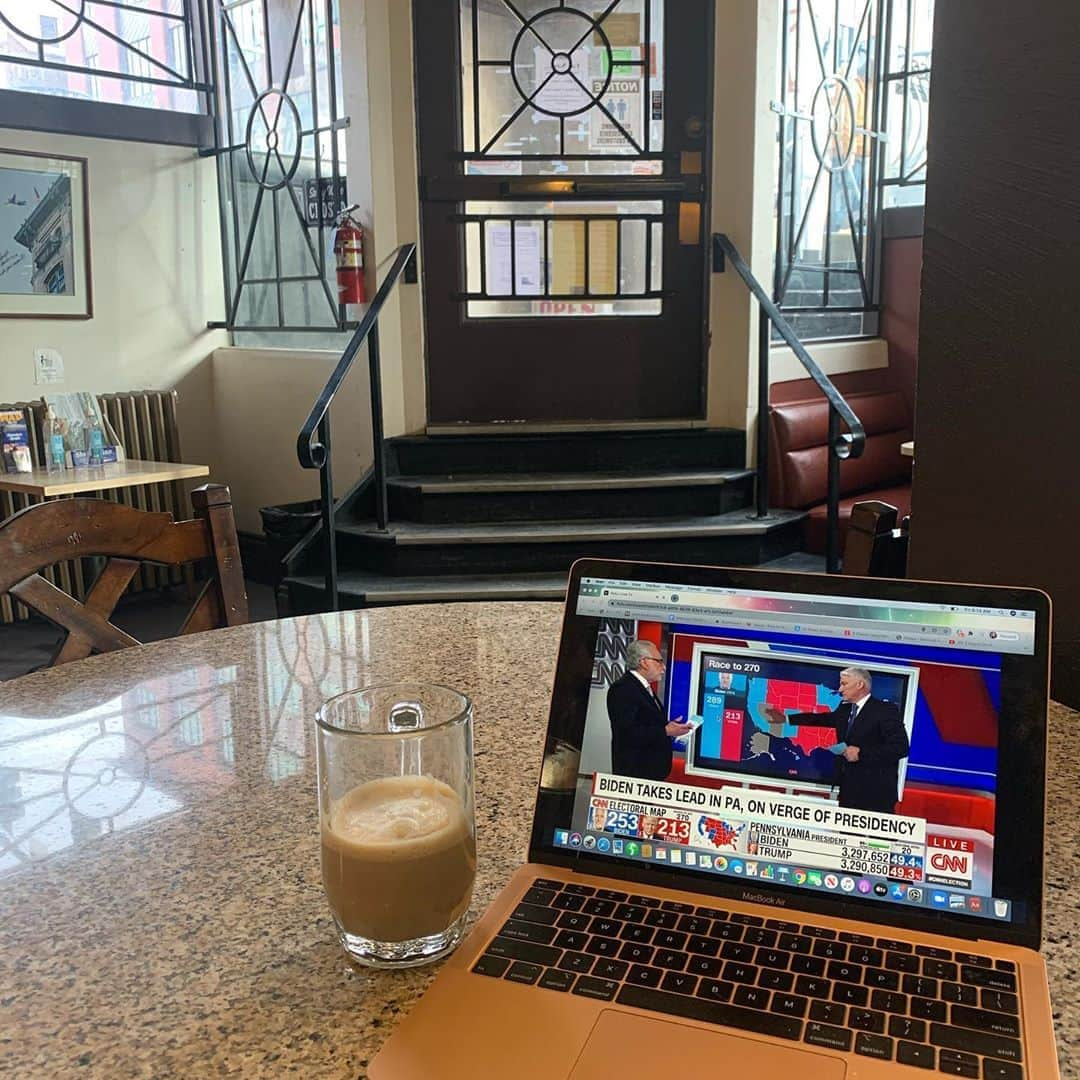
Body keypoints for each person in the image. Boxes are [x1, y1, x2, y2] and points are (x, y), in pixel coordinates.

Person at [761, 666, 909, 813]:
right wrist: (786, 718)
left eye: (844, 684)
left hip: (876, 796)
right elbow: (822, 719)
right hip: (849, 792)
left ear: (860, 685)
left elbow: (900, 747)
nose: (840, 689)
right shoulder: (846, 709)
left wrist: (861, 753)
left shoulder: (884, 710)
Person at [608, 640, 691, 781]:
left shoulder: (642, 688)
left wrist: (668, 727)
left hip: (649, 777)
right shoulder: (624, 689)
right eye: (659, 661)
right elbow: (627, 733)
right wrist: (666, 731)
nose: (664, 668)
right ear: (644, 662)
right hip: (635, 777)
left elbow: (645, 723)